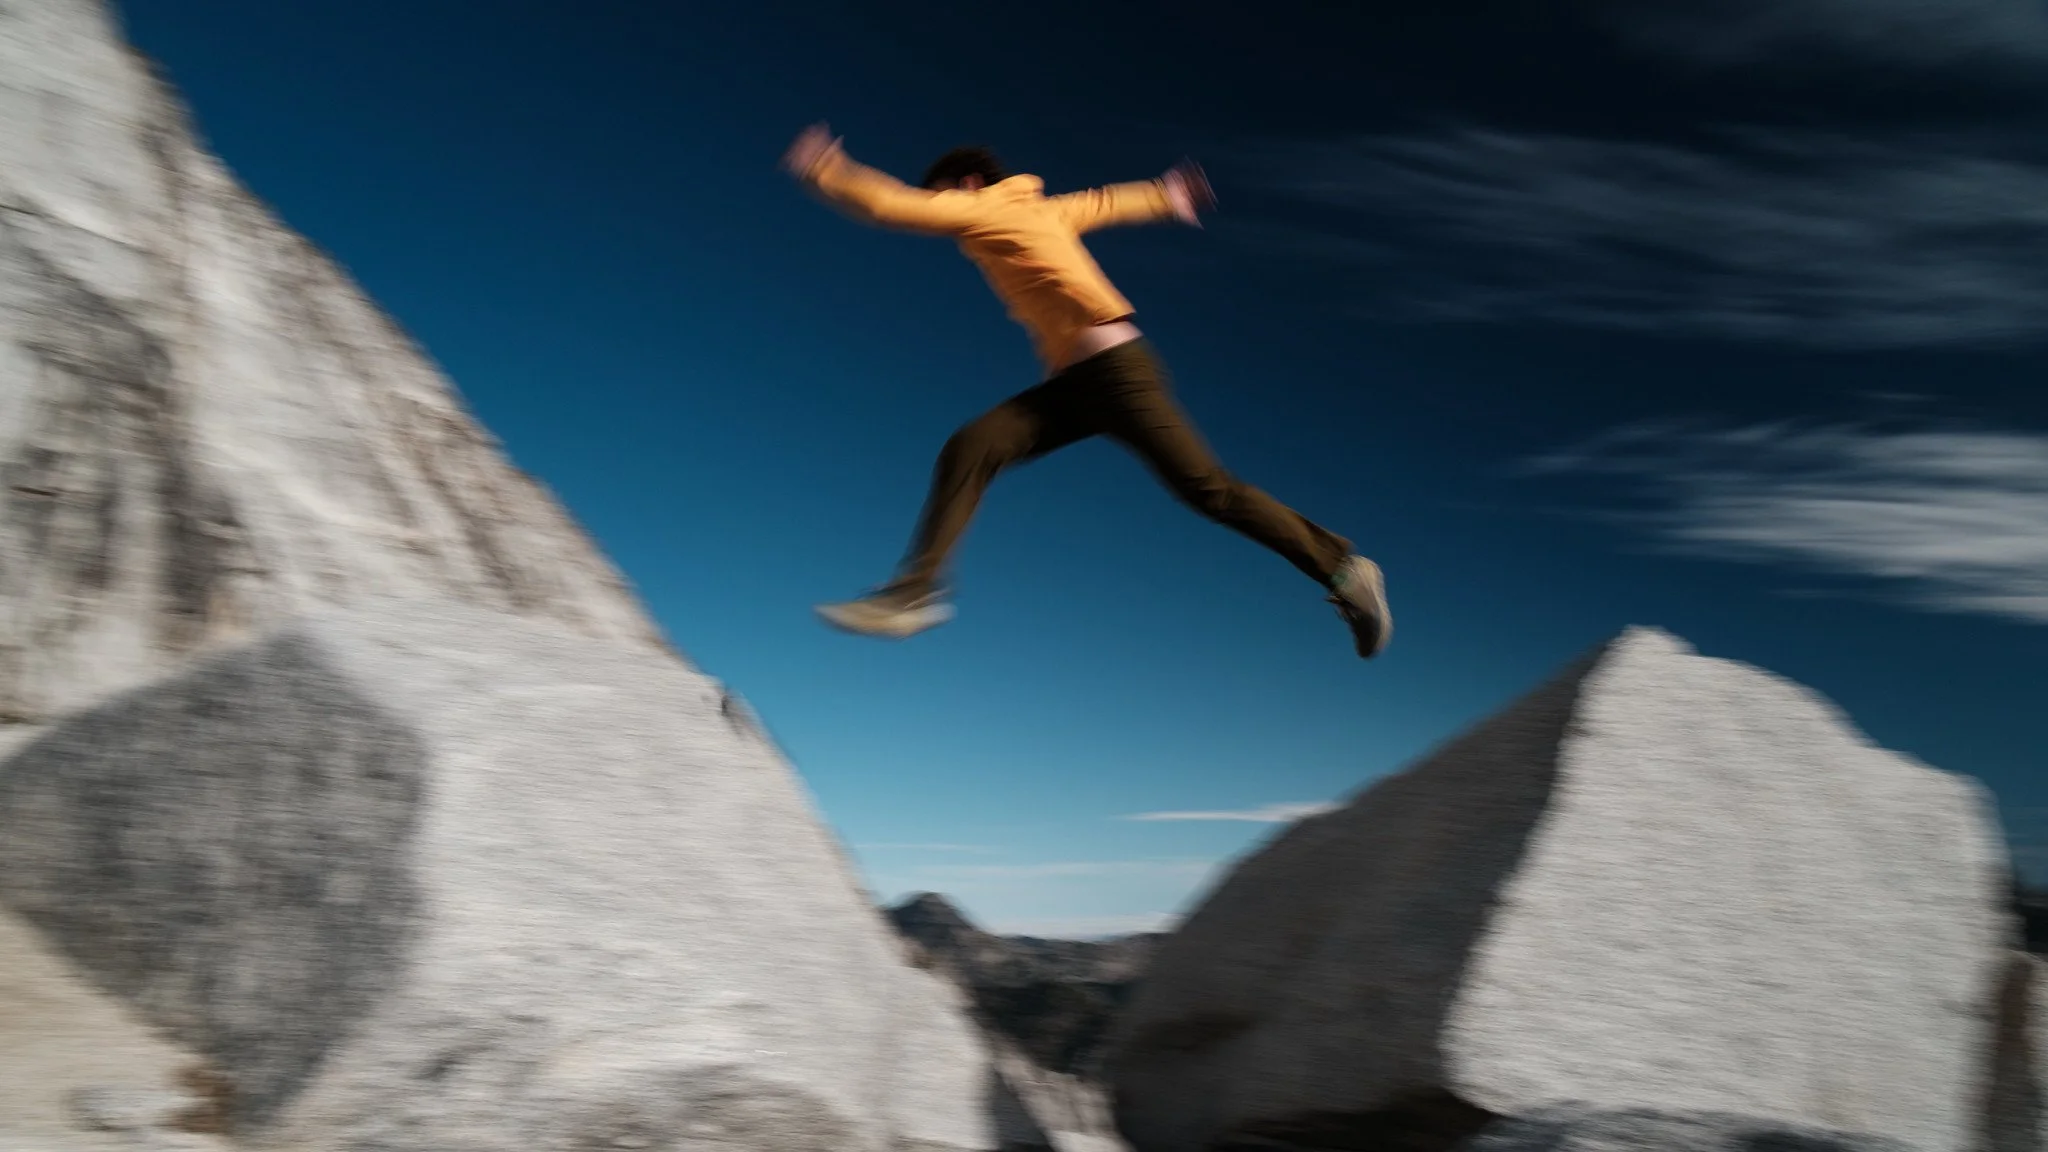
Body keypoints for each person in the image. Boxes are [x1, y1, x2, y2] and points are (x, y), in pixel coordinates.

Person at [781, 122, 1392, 659]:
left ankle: (1342, 567)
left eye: (943, 195)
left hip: (1119, 374)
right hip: (1076, 386)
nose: (945, 214)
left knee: (1210, 490)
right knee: (974, 445)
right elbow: (1101, 203)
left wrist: (828, 169)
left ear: (967, 186)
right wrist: (1163, 195)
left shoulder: (985, 209)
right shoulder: (1041, 210)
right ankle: (912, 594)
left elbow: (896, 207)